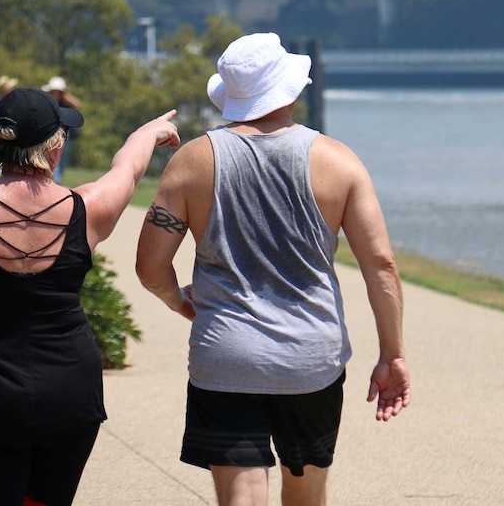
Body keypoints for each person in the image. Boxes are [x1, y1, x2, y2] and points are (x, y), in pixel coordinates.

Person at [135, 32, 410, 506]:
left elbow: (149, 265)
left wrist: (178, 299)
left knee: (241, 496)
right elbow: (380, 265)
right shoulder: (338, 161)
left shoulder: (194, 160)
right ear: (292, 88)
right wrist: (392, 354)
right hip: (311, 361)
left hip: (226, 356)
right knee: (306, 493)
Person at [0, 87, 179, 506]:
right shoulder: (86, 209)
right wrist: (148, 134)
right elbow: (126, 172)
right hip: (69, 395)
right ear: (55, 150)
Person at [42, 76, 83, 183]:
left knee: (62, 160)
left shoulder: (66, 103)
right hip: (51, 135)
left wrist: (65, 95)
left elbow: (78, 104)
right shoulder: (48, 101)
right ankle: (55, 180)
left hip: (66, 137)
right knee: (53, 159)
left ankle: (57, 180)